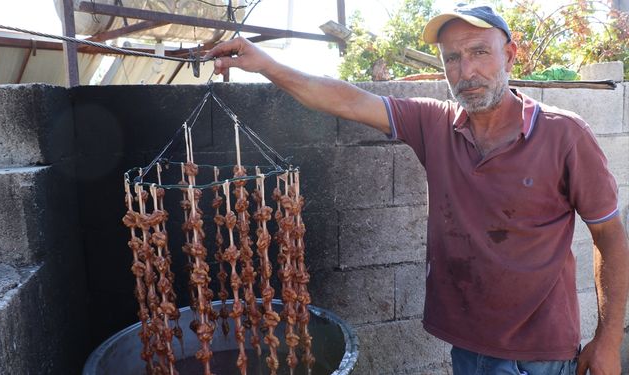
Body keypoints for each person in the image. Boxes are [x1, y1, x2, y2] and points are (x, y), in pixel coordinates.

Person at [205, 4, 629, 374]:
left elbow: (610, 238)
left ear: (510, 56)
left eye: (480, 52)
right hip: (466, 346)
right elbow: (347, 100)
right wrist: (265, 64)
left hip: (539, 355)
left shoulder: (565, 135)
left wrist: (608, 342)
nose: (467, 71)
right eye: (453, 59)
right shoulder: (436, 123)